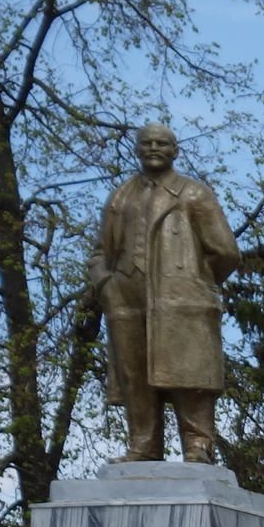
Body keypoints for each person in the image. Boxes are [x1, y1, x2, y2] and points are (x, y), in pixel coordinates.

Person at [92, 124, 240, 463]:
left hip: (180, 298)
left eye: (162, 143)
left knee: (189, 375)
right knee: (136, 376)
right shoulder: (120, 196)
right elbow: (100, 252)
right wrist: (106, 284)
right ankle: (143, 446)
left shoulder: (193, 194)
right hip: (127, 299)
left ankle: (197, 445)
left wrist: (195, 282)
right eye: (147, 143)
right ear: (137, 150)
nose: (154, 148)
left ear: (175, 151)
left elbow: (226, 251)